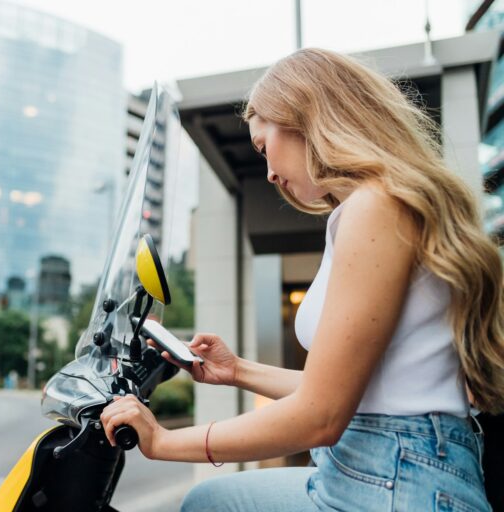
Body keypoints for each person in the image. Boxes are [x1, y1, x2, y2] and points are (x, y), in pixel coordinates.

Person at [100, 48, 503, 511]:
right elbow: (343, 392)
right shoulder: (369, 208)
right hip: (372, 470)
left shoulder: (378, 208)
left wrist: (163, 441)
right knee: (211, 501)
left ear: (301, 114)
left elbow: (321, 416)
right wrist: (238, 372)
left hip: (401, 480)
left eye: (262, 146)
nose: (269, 172)